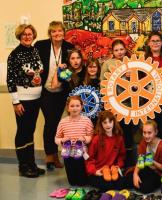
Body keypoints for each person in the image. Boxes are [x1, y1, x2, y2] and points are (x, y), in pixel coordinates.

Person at [7, 24, 45, 178]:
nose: (27, 36)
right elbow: (10, 80)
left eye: (29, 34)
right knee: (23, 132)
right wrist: (16, 102)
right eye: (24, 34)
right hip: (23, 99)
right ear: (19, 36)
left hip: (36, 98)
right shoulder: (14, 55)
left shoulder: (35, 50)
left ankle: (31, 163)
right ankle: (23, 166)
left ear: (33, 35)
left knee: (30, 131)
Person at [35, 21, 74, 170]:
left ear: (64, 32)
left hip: (62, 92)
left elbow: (73, 67)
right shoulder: (41, 46)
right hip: (45, 91)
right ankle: (50, 156)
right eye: (54, 31)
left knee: (58, 123)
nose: (57, 34)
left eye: (60, 31)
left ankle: (55, 155)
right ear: (50, 33)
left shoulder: (69, 47)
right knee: (50, 122)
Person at [101, 39, 138, 167]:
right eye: (116, 50)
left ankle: (129, 164)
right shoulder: (107, 64)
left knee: (128, 133)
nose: (119, 52)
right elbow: (103, 83)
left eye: (121, 49)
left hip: (129, 104)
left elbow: (138, 82)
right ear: (112, 51)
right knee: (115, 132)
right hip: (114, 105)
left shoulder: (132, 63)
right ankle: (114, 162)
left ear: (125, 49)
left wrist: (131, 76)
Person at [55, 96, 93, 186]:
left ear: (81, 107)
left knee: (82, 181)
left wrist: (84, 139)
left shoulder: (87, 121)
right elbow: (57, 138)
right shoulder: (63, 122)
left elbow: (91, 136)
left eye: (77, 105)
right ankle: (73, 178)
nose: (75, 108)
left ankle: (82, 179)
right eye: (72, 106)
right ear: (68, 108)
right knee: (72, 181)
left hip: (81, 152)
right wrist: (62, 140)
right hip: (67, 153)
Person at [85, 110, 127, 192]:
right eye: (105, 122)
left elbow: (122, 155)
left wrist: (119, 165)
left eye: (110, 121)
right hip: (98, 169)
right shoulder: (96, 139)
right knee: (107, 185)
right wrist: (94, 171)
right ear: (101, 124)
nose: (108, 125)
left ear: (114, 122)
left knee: (121, 184)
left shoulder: (119, 138)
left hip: (112, 169)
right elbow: (90, 158)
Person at [132, 120, 162, 194]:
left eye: (149, 133)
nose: (146, 136)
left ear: (156, 132)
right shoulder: (143, 141)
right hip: (147, 168)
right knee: (131, 178)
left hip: (158, 172)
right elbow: (140, 160)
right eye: (144, 132)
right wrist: (135, 174)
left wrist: (153, 162)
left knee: (144, 188)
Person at [82, 58, 101, 125]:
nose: (92, 69)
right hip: (85, 113)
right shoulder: (82, 82)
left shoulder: (101, 81)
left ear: (98, 68)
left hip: (99, 113)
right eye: (90, 67)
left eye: (94, 67)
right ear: (86, 68)